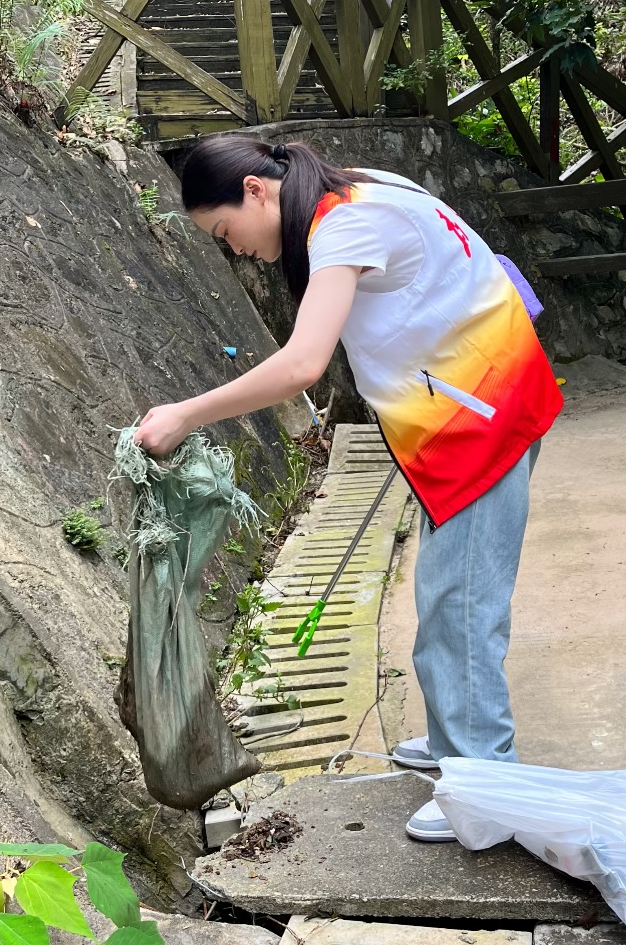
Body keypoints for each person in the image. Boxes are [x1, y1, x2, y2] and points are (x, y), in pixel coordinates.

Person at [132, 134, 560, 847]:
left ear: (256, 192)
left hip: (483, 423)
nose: (235, 249)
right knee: (450, 592)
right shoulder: (361, 187)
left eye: (225, 233)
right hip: (470, 409)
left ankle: (484, 779)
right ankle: (461, 736)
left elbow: (302, 363)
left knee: (459, 608)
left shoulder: (343, 225)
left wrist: (184, 413)